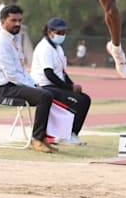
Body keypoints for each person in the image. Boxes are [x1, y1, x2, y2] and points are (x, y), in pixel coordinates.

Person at [0, 4, 55, 153]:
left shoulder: (16, 39)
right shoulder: (0, 43)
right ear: (3, 21)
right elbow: (11, 75)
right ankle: (36, 139)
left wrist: (34, 84)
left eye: (19, 20)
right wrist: (33, 88)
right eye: (13, 20)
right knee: (44, 96)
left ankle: (41, 136)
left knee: (47, 93)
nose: (17, 23)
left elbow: (22, 70)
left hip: (15, 85)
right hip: (3, 89)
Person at [31, 17, 91, 145]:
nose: (62, 35)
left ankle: (73, 133)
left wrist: (72, 85)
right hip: (44, 86)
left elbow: (62, 72)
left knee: (85, 99)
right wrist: (69, 89)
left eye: (64, 33)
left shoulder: (58, 48)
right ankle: (63, 135)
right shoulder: (44, 48)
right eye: (59, 33)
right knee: (77, 101)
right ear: (50, 32)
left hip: (55, 85)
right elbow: (49, 74)